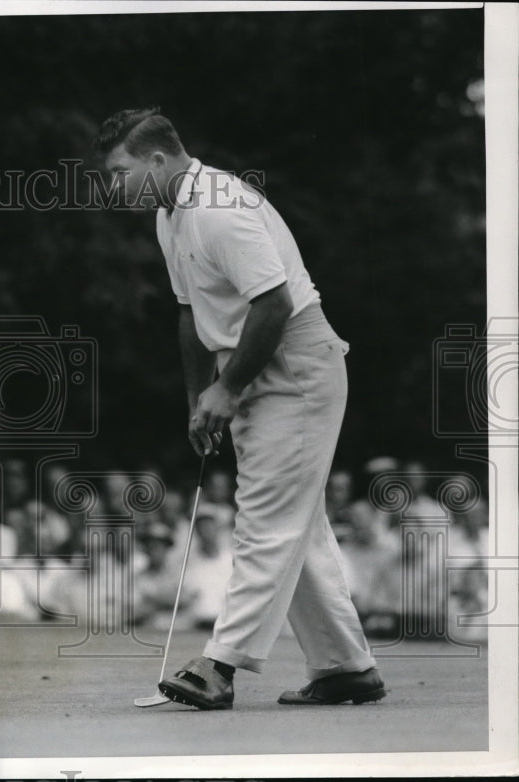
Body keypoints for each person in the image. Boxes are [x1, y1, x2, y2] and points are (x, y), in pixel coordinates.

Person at [96, 107, 383, 709]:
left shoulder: (220, 209)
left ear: (156, 160)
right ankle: (345, 667)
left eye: (119, 170)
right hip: (249, 364)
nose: (112, 184)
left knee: (266, 517)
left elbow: (275, 305)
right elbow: (188, 312)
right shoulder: (168, 215)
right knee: (293, 522)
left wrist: (226, 390)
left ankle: (219, 665)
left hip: (297, 366)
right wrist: (199, 396)